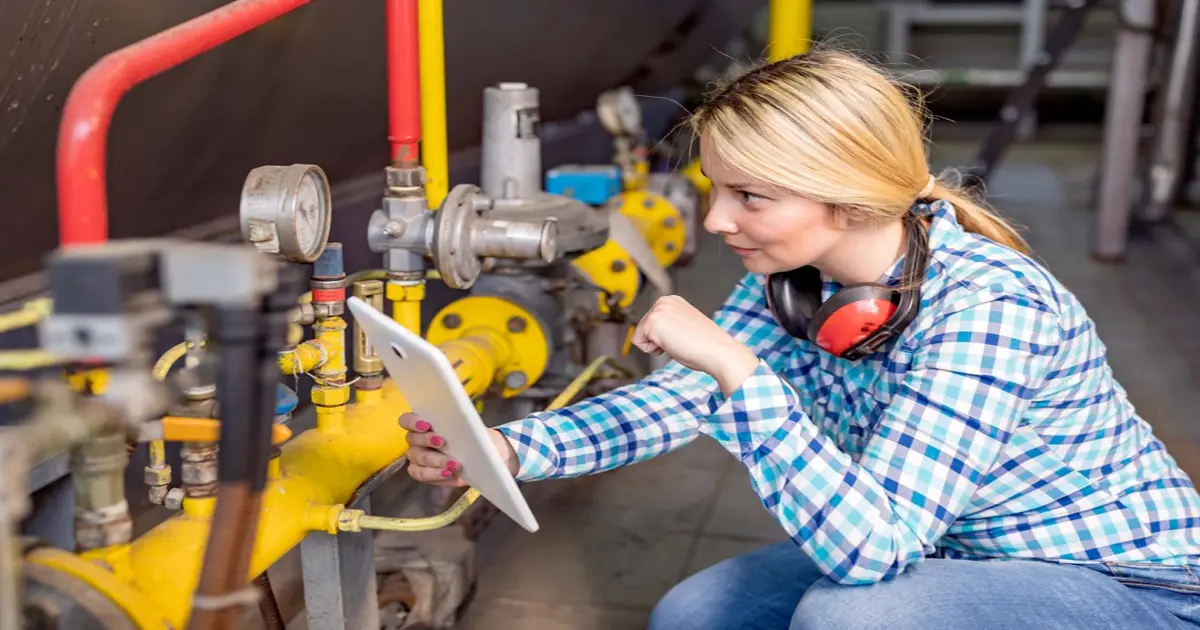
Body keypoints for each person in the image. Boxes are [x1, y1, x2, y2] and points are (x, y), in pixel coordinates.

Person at [399, 49, 1200, 629]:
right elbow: (676, 402)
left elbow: (874, 550)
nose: (716, 221)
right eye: (718, 189)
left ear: (847, 202)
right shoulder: (796, 284)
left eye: (750, 196)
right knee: (696, 616)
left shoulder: (990, 307)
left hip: (1128, 584)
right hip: (956, 547)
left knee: (856, 618)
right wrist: (507, 451)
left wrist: (741, 374)